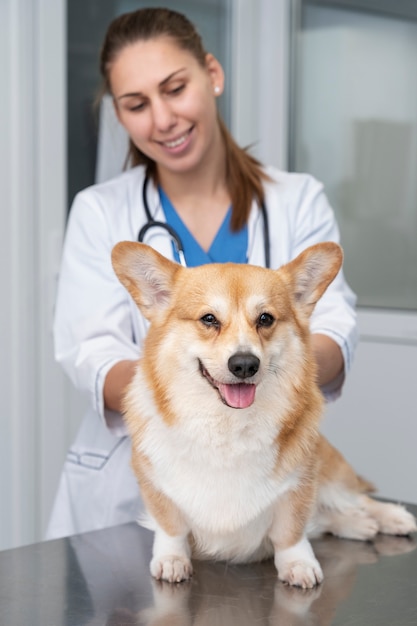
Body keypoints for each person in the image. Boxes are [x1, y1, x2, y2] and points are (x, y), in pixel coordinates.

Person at [46, 7, 357, 540]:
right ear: (118, 116)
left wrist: (261, 373)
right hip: (137, 494)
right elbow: (91, 353)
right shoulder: (99, 211)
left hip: (264, 481)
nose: (162, 119)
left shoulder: (296, 200)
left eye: (175, 88)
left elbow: (332, 326)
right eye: (136, 104)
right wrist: (193, 403)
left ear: (212, 75)